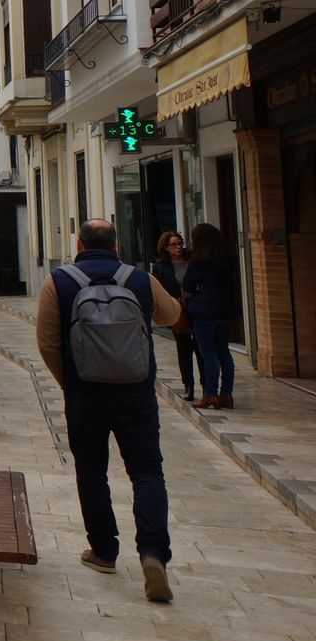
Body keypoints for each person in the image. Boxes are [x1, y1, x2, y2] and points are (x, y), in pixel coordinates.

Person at [35, 219, 181, 603]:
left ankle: (103, 551)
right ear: (116, 247)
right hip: (136, 394)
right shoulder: (139, 279)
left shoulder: (59, 282)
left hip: (86, 396)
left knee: (91, 472)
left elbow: (48, 343)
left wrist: (70, 382)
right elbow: (170, 316)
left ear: (79, 244)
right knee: (148, 472)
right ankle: (153, 554)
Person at [184, 222, 236, 410]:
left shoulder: (200, 259)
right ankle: (227, 393)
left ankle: (210, 394)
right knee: (224, 352)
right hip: (224, 310)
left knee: (208, 354)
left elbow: (188, 284)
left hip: (204, 310)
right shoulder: (226, 256)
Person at [151, 230, 202, 402]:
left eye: (180, 243)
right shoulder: (160, 266)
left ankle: (207, 385)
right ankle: (189, 386)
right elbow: (159, 288)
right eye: (174, 244)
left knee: (201, 347)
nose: (178, 247)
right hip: (177, 309)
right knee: (184, 348)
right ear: (165, 247)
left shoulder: (192, 260)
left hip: (196, 306)